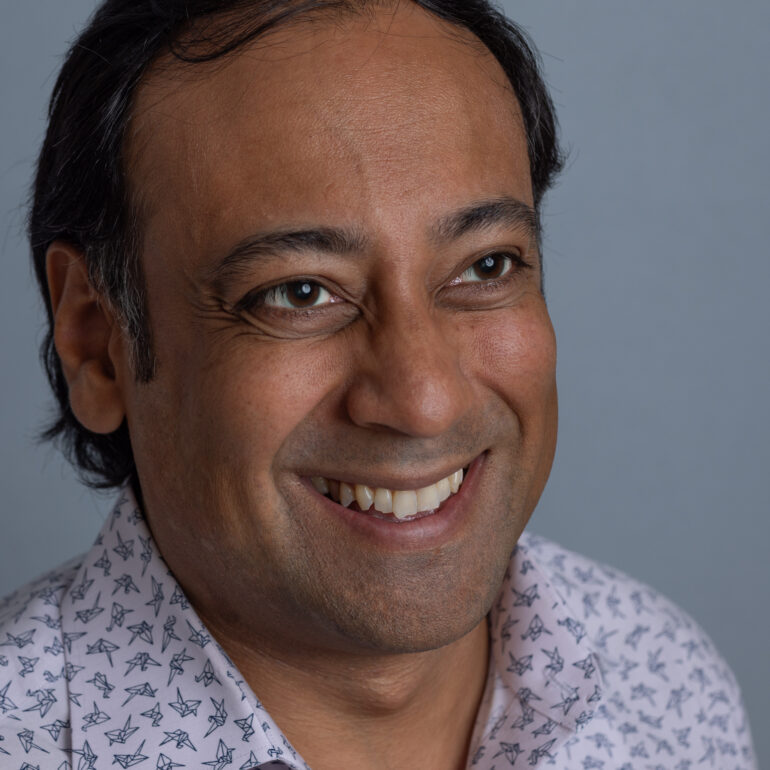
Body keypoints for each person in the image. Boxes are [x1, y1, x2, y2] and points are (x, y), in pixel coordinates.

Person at [0, 0, 757, 767]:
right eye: (299, 292)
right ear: (97, 344)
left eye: (485, 266)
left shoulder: (668, 689)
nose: (425, 402)